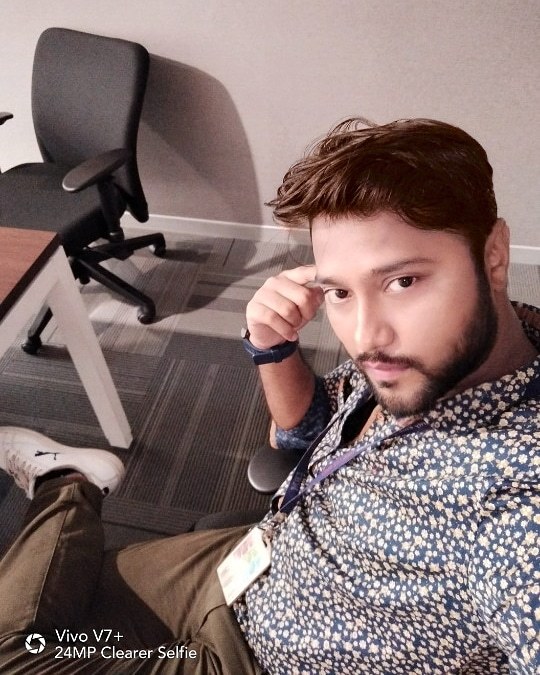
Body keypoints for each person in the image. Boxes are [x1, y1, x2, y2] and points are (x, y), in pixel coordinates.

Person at [0, 118, 538, 674]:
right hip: (256, 558)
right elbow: (303, 438)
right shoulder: (434, 358)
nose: (364, 337)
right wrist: (272, 348)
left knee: (13, 653)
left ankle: (64, 483)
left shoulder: (517, 497)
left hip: (249, 662)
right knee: (54, 614)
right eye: (339, 291)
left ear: (494, 257)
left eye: (403, 282)